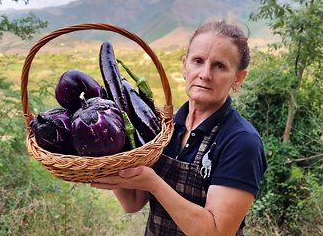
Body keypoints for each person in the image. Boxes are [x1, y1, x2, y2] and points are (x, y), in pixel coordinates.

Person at [91, 20, 267, 236]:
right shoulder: (165, 128)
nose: (205, 74)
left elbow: (217, 231)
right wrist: (111, 154)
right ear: (185, 66)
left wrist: (154, 184)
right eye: (198, 61)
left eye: (219, 66)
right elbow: (133, 203)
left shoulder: (241, 141)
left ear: (238, 78)